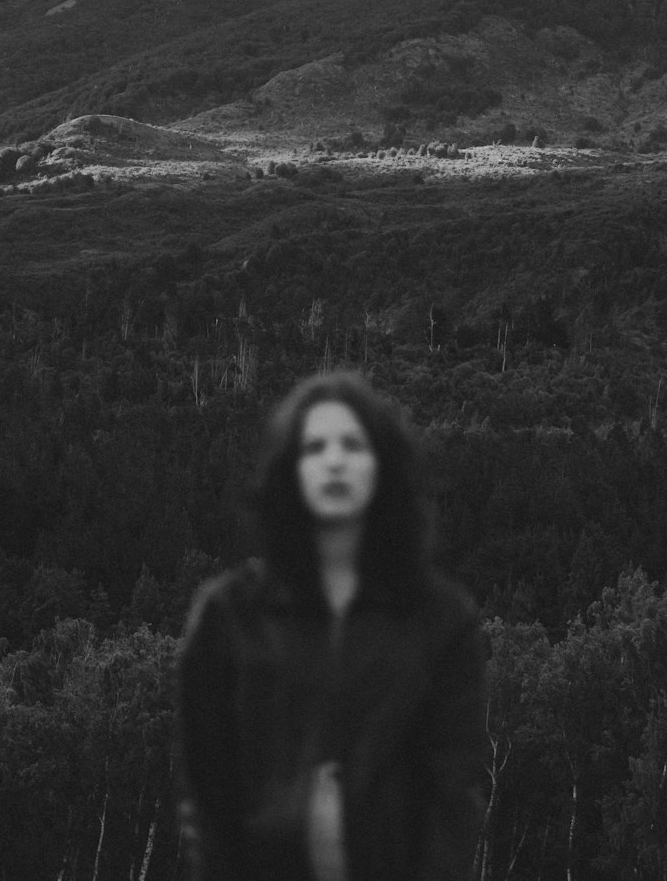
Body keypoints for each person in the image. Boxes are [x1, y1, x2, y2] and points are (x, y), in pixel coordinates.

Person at [176, 368, 489, 881]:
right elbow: (207, 796)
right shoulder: (229, 617)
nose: (335, 460)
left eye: (352, 444)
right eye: (315, 447)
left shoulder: (441, 622)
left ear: (382, 466)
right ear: (290, 471)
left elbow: (453, 795)